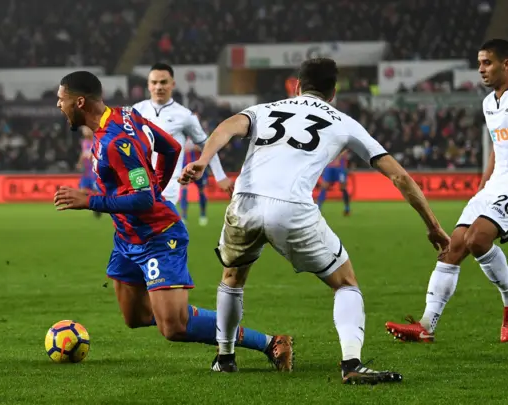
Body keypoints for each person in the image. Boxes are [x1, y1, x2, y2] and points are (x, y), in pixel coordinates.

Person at [179, 58, 450, 384]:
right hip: (292, 209)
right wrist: (433, 225)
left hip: (244, 203)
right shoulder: (344, 122)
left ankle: (225, 358)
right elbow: (400, 177)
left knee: (232, 278)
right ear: (333, 92)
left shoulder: (264, 109)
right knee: (345, 283)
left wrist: (204, 160)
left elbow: (225, 127)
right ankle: (351, 364)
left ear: (296, 85)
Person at [53, 71, 293, 370]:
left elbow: (143, 200)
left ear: (79, 101)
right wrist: (155, 184)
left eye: (61, 100)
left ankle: (270, 342)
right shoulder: (125, 116)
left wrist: (89, 200)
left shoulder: (117, 140)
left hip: (158, 236)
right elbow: (171, 147)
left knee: (173, 328)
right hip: (128, 238)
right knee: (135, 317)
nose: (58, 105)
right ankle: (177, 312)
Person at [385, 39, 508, 343]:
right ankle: (426, 325)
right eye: (479, 63)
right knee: (453, 247)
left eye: (487, 63)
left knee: (477, 239)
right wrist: (484, 181)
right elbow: (499, 146)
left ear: (506, 64)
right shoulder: (488, 103)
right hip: (494, 187)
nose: (481, 69)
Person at [133, 63, 233, 206]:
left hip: (168, 185)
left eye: (163, 82)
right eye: (154, 82)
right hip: (139, 181)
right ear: (148, 85)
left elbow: (206, 145)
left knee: (161, 225)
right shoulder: (136, 110)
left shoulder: (185, 115)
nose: (158, 87)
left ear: (172, 84)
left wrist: (220, 175)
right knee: (134, 226)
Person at [180, 139, 210, 225]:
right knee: (184, 191)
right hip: (186, 166)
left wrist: (193, 147)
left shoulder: (199, 135)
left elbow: (205, 148)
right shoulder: (183, 136)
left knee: (201, 191)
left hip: (199, 168)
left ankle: (203, 214)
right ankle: (184, 216)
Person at [77, 126, 101, 218]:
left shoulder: (96, 140)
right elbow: (83, 153)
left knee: (96, 192)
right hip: (86, 172)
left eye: (86, 130)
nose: (84, 132)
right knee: (82, 192)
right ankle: (94, 204)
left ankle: (97, 208)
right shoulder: (84, 142)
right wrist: (79, 163)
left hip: (94, 172)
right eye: (84, 130)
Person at [317, 150, 351, 215]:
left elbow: (347, 148)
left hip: (340, 167)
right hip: (329, 167)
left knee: (343, 187)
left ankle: (347, 208)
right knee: (324, 186)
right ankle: (318, 207)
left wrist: (339, 157)